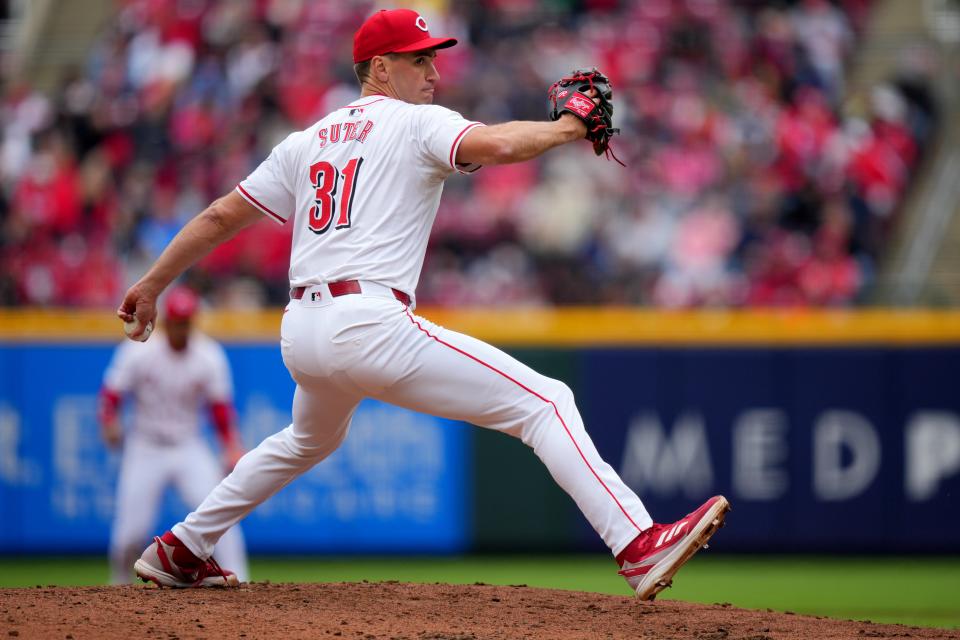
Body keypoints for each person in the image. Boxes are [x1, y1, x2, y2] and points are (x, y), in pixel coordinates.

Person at [120, 8, 729, 598]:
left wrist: (151, 284)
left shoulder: (308, 140)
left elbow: (221, 214)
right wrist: (569, 129)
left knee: (308, 440)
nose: (434, 73)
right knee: (547, 401)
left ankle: (182, 546)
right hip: (367, 323)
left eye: (435, 59)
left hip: (302, 331)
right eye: (419, 60)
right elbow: (496, 146)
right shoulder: (415, 123)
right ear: (380, 68)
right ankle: (637, 543)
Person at [100, 285, 249, 585]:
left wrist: (231, 445)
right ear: (166, 321)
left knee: (221, 516)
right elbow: (112, 393)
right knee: (130, 532)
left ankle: (241, 582)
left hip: (188, 446)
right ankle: (117, 592)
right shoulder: (138, 350)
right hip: (146, 445)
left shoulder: (208, 354)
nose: (181, 327)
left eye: (186, 321)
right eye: (177, 321)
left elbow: (220, 410)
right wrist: (109, 421)